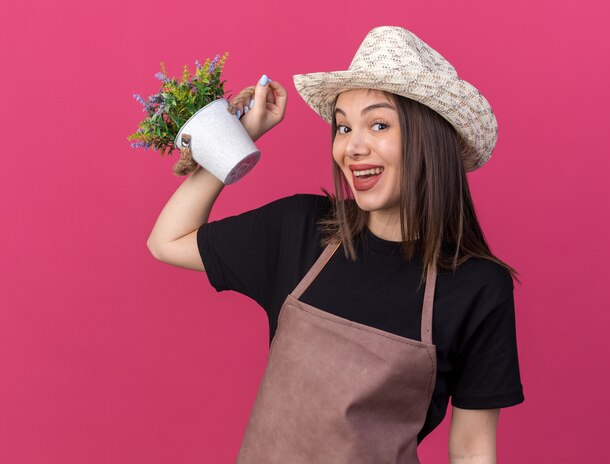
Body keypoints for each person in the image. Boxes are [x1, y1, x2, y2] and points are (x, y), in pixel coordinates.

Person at [147, 26, 524, 463]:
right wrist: (232, 142)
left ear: (430, 140)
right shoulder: (302, 228)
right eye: (343, 127)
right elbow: (167, 240)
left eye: (379, 124)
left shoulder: (479, 286)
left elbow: (472, 451)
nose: (352, 147)